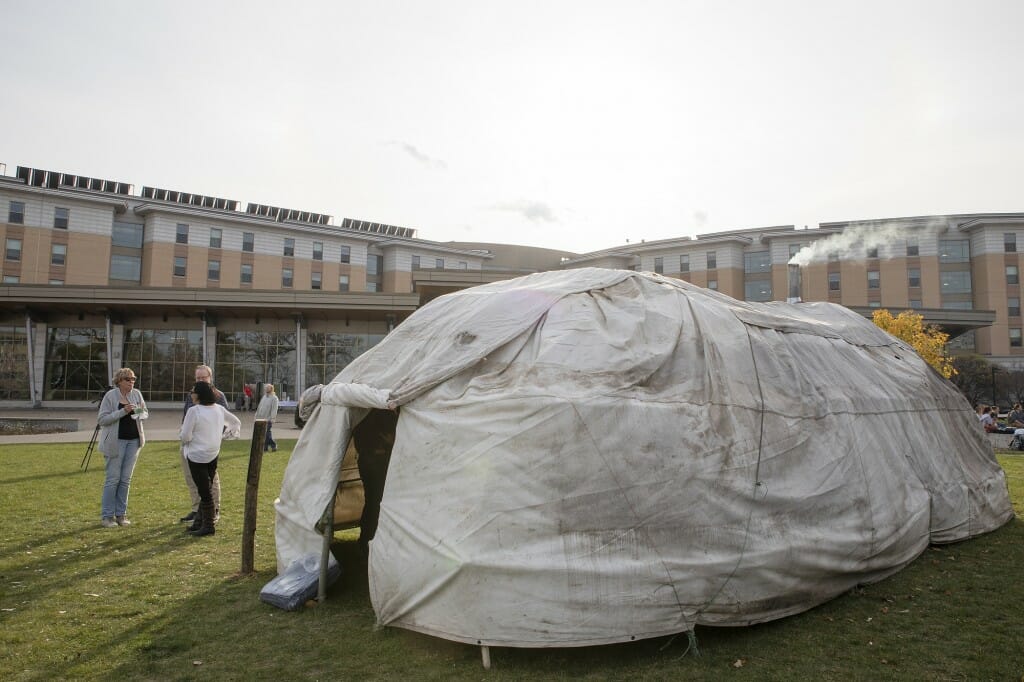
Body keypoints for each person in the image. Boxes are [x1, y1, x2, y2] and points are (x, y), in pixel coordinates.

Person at [180, 381, 241, 537]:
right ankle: (199, 522)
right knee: (206, 488)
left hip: (196, 456)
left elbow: (185, 435)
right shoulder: (219, 409)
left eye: (192, 391)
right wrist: (223, 437)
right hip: (213, 453)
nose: (191, 394)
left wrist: (186, 440)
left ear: (198, 394)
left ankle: (209, 525)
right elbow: (236, 422)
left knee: (205, 492)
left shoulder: (194, 411)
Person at [97, 368, 148, 528]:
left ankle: (121, 515)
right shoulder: (110, 396)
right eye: (128, 379)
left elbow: (145, 413)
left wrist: (137, 411)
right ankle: (107, 517)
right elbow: (102, 419)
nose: (131, 382)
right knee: (113, 480)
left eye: (133, 379)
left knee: (125, 480)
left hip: (134, 442)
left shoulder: (137, 394)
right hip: (115, 442)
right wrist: (122, 411)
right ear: (119, 381)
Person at [180, 365, 229, 525]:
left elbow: (224, 421)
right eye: (198, 378)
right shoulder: (191, 395)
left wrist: (214, 438)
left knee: (211, 480)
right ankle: (197, 510)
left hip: (206, 447)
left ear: (210, 378)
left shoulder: (218, 396)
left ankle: (214, 510)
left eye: (204, 377)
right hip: (188, 444)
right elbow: (186, 415)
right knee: (191, 479)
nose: (201, 380)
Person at [351, 408, 399, 553]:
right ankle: (369, 539)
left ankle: (366, 539)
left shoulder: (363, 415)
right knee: (376, 502)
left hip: (369, 459)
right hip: (376, 461)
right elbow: (391, 437)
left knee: (373, 501)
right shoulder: (382, 415)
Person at [254, 383, 280, 452]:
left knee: (267, 433)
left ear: (271, 389)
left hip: (268, 419)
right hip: (260, 418)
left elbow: (274, 409)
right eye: (266, 388)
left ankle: (273, 445)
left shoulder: (274, 398)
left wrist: (272, 418)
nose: (266, 389)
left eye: (267, 388)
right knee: (263, 434)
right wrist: (256, 416)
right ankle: (265, 448)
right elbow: (259, 407)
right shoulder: (264, 397)